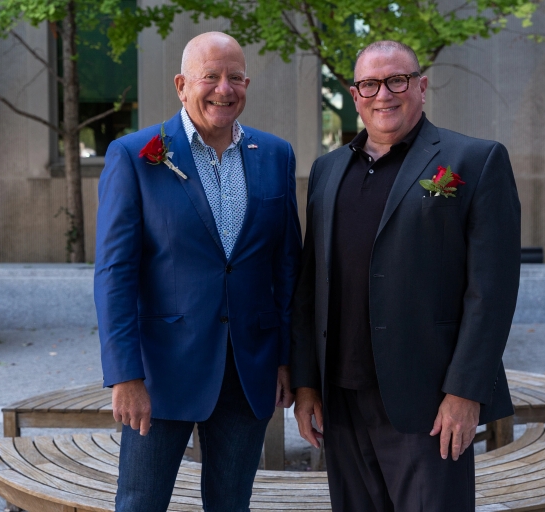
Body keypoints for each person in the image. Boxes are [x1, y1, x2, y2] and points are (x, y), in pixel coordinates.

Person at [290, 40, 521, 511]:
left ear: (420, 85)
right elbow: (310, 286)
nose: (384, 94)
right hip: (341, 400)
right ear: (354, 95)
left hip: (429, 403)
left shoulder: (475, 161)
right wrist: (306, 384)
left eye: (396, 80)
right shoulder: (327, 170)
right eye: (370, 84)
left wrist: (465, 392)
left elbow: (491, 292)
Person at [94, 32, 301, 512]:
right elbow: (114, 273)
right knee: (140, 502)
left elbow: (287, 265)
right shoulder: (136, 155)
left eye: (235, 77)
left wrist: (288, 358)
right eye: (210, 76)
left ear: (247, 84)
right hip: (160, 373)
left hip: (250, 367)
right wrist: (125, 375)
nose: (223, 89)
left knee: (232, 504)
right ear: (182, 85)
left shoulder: (275, 155)